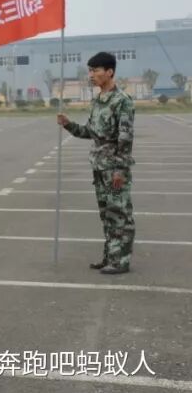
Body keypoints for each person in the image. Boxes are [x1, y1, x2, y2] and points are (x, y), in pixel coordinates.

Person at [58, 51, 136, 275]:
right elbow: (90, 132)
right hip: (100, 168)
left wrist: (120, 170)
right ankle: (110, 256)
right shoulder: (97, 101)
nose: (91, 75)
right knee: (106, 214)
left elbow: (125, 138)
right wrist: (68, 124)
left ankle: (121, 261)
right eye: (90, 71)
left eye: (95, 70)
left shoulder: (122, 101)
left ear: (109, 72)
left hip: (114, 170)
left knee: (119, 214)